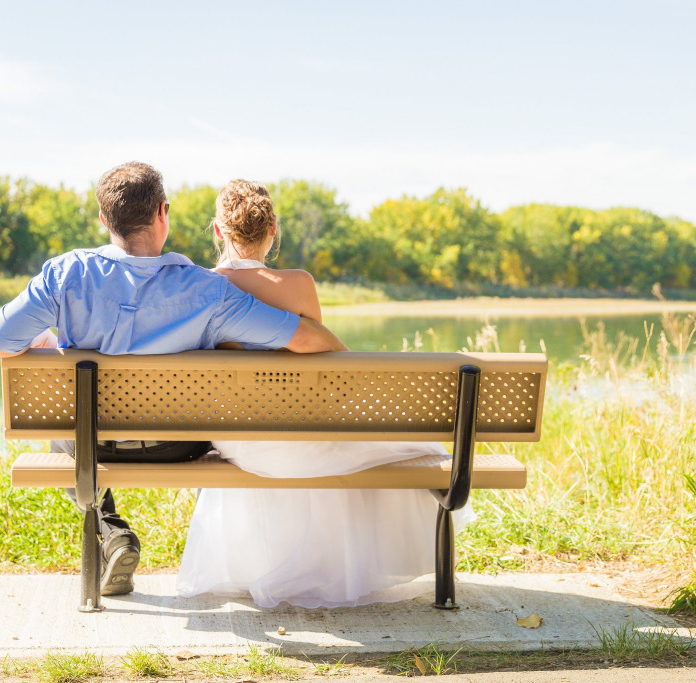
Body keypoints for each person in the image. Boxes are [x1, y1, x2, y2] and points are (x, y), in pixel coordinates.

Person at [0, 162, 346, 597]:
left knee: (67, 434)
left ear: (104, 220)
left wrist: (43, 339)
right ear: (162, 214)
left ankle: (113, 533)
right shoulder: (206, 290)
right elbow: (302, 338)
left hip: (93, 441)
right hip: (179, 443)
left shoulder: (66, 274)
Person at [175, 179, 473, 608]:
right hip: (300, 427)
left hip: (240, 438)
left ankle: (272, 566)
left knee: (312, 439)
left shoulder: (199, 285)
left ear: (218, 231)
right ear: (273, 228)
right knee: (408, 446)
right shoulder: (298, 284)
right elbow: (321, 362)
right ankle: (333, 568)